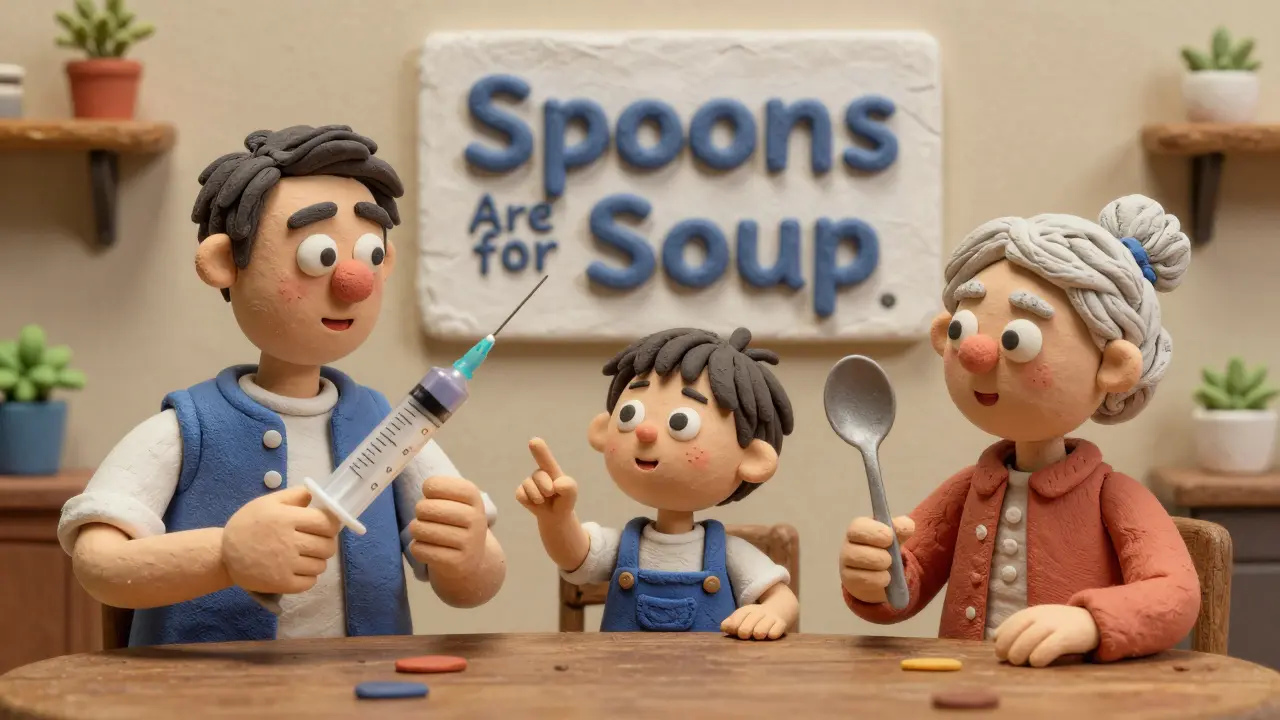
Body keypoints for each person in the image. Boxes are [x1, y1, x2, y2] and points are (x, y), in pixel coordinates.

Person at [58, 125, 506, 646]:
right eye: (319, 255)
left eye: (372, 255)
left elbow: (472, 589)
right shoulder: (185, 430)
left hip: (365, 693)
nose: (353, 281)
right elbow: (97, 565)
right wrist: (225, 555)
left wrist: (469, 554)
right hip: (207, 699)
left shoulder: (389, 428)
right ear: (225, 263)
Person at [838, 194, 1200, 667]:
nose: (976, 353)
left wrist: (1091, 621)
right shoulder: (970, 488)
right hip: (963, 690)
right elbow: (906, 589)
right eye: (961, 330)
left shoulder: (1112, 495)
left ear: (1113, 366)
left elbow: (1175, 594)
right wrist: (873, 577)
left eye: (1018, 339)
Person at [518, 327, 799, 639]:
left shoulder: (729, 553)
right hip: (623, 680)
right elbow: (574, 557)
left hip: (710, 684)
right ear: (603, 428)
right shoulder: (623, 545)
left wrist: (770, 612)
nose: (646, 432)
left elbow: (782, 598)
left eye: (681, 423)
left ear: (753, 460)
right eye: (629, 415)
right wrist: (556, 519)